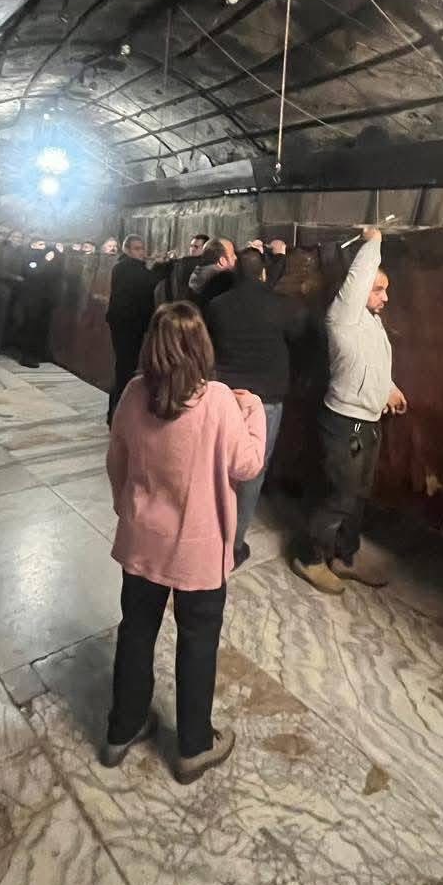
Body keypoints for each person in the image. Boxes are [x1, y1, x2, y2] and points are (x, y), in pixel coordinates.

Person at [103, 302, 265, 783]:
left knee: (136, 631)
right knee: (198, 642)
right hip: (198, 548)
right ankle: (193, 746)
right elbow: (248, 464)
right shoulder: (218, 401)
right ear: (201, 348)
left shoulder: (134, 393)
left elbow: (116, 458)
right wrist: (254, 410)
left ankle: (122, 728)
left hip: (143, 541)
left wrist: (126, 506)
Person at [293, 226, 406, 595]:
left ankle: (344, 555)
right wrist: (374, 241)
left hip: (367, 424)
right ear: (356, 292)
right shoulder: (343, 316)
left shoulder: (371, 322)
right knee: (341, 494)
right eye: (378, 289)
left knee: (359, 493)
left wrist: (388, 388)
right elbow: (359, 278)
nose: (385, 297)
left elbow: (370, 362)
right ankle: (309, 557)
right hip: (347, 426)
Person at [206, 247, 304, 567]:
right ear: (262, 273)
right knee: (252, 470)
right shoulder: (282, 305)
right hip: (265, 402)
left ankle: (210, 534)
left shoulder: (217, 306)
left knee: (218, 465)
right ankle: (234, 545)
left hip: (225, 396)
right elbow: (300, 341)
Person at [105, 235, 156, 425]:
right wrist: (161, 267)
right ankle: (117, 415)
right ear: (127, 250)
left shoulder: (124, 267)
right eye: (136, 248)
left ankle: (116, 414)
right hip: (127, 324)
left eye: (142, 248)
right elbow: (148, 280)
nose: (141, 252)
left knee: (125, 367)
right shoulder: (126, 268)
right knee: (125, 369)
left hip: (125, 323)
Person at [0, 229, 26, 354]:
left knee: (4, 317)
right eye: (15, 237)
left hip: (7, 288)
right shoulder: (6, 251)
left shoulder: (16, 251)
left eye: (20, 238)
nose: (18, 240)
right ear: (10, 238)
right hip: (1, 288)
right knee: (1, 317)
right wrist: (17, 278)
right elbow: (1, 272)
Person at [188, 237, 236, 307]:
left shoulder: (197, 277)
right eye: (232, 255)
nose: (235, 258)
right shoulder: (222, 284)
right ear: (222, 261)